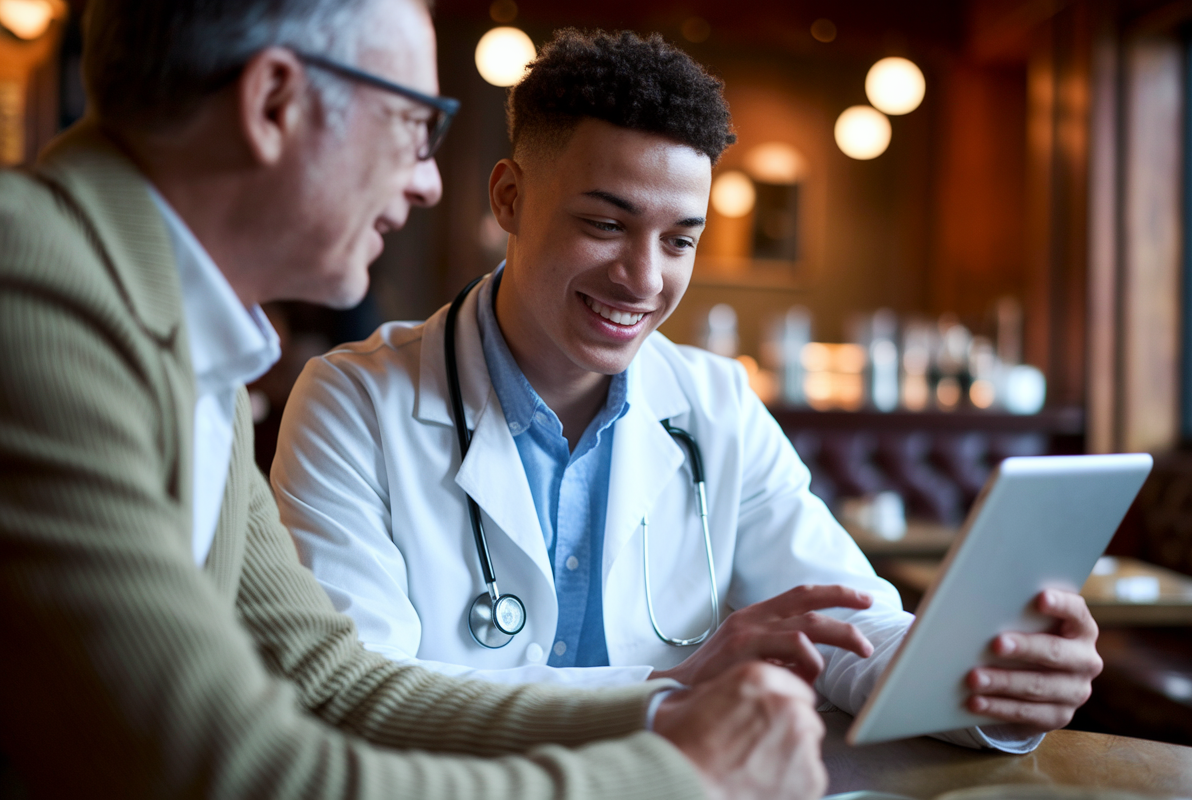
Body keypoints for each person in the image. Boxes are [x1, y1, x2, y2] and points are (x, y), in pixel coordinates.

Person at [0, 2, 830, 798]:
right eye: (411, 124)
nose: (430, 181)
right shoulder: (32, 286)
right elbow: (231, 771)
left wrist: (668, 708)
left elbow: (333, 683)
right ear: (274, 103)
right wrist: (689, 779)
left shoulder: (182, 336)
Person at [272, 27, 1103, 754]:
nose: (643, 278)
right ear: (509, 200)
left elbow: (846, 628)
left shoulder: (716, 404)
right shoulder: (352, 403)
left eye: (680, 240)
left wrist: (992, 681)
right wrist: (671, 690)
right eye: (605, 224)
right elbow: (356, 700)